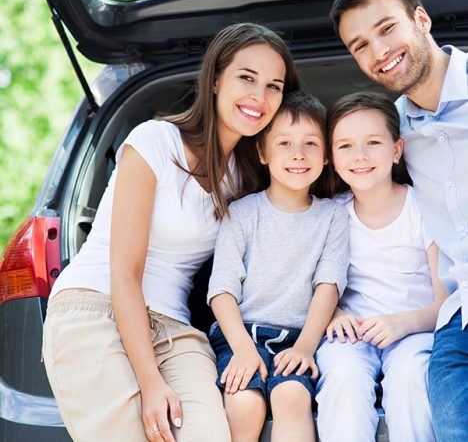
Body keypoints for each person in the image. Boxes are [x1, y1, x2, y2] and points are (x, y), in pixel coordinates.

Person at [41, 22, 300, 442]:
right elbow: (124, 270)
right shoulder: (155, 141)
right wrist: (150, 382)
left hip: (176, 329)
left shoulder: (244, 178)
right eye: (246, 78)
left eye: (274, 86)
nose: (260, 96)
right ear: (216, 79)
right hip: (97, 309)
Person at [330, 0, 468, 440]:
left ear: (421, 19)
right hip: (460, 320)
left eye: (387, 28)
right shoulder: (395, 130)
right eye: (360, 45)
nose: (379, 51)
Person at [206, 92, 350, 442]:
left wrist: (304, 347)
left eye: (310, 144)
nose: (298, 154)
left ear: (327, 156)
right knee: (243, 402)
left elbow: (327, 286)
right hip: (242, 335)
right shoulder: (241, 214)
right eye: (284, 143)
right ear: (262, 153)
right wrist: (242, 348)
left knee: (292, 396)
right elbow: (221, 290)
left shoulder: (333, 216)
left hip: (298, 339)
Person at [315, 91, 447, 442]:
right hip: (352, 333)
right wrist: (335, 314)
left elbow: (446, 302)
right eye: (345, 146)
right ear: (330, 158)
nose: (360, 156)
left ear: (397, 150)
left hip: (416, 329)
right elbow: (314, 289)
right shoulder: (331, 215)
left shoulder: (423, 208)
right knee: (342, 378)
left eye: (373, 142)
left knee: (410, 378)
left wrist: (402, 323)